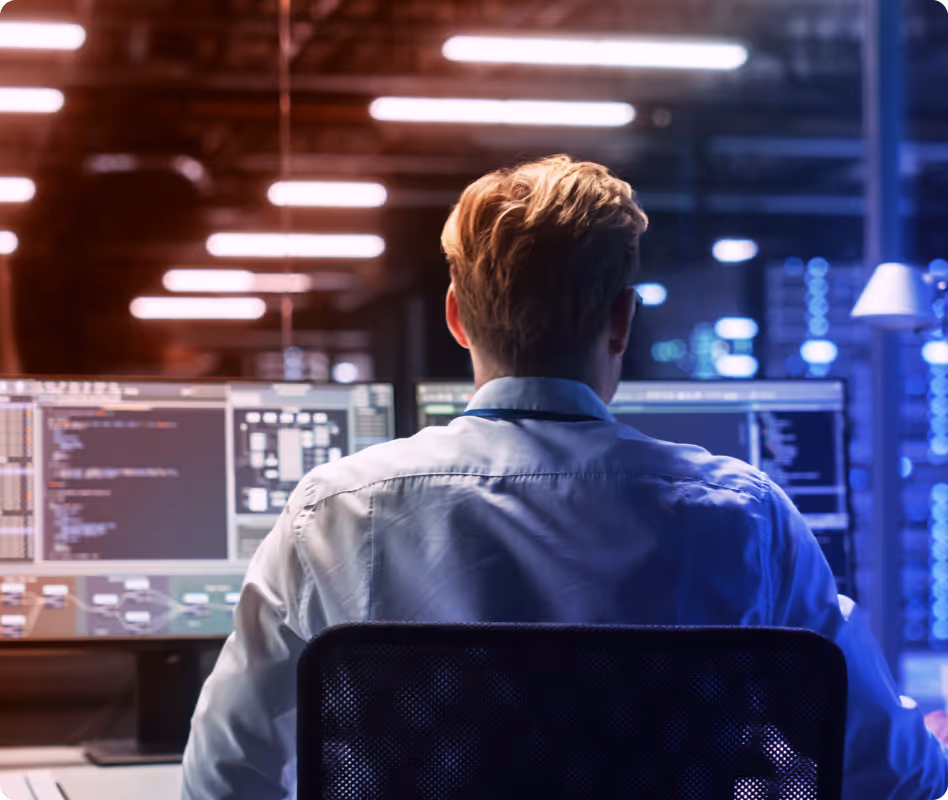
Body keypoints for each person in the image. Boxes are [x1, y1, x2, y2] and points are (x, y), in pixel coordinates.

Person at [182, 154, 948, 799]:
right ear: (621, 320)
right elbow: (892, 776)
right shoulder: (745, 517)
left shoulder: (337, 513)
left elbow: (220, 780)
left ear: (456, 318)